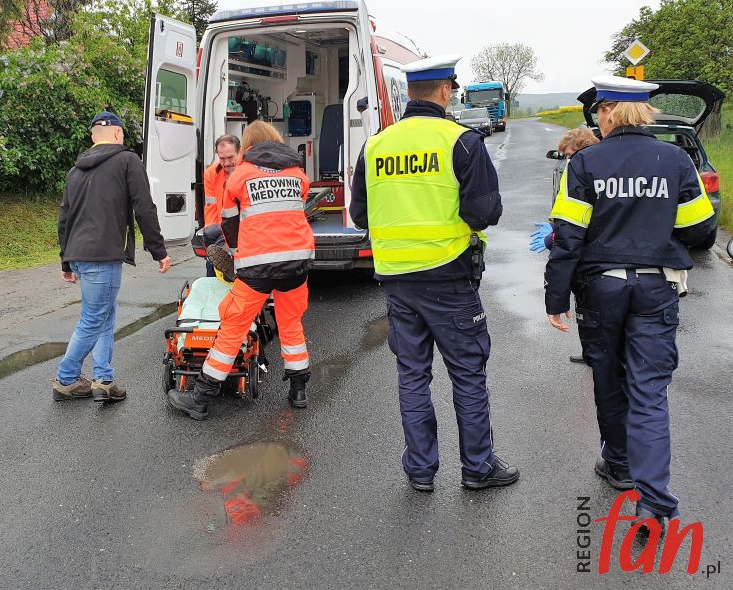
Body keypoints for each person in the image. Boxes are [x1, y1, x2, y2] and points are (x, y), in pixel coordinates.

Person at [544, 76, 715, 534]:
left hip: (601, 289)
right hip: (656, 287)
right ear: (644, 113)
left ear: (606, 113)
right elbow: (701, 230)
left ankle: (618, 464)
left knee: (607, 375)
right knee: (649, 391)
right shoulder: (676, 160)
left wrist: (555, 297)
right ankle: (655, 505)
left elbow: (567, 239)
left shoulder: (585, 163)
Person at [349, 55, 518, 492]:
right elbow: (484, 213)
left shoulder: (376, 145)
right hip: (449, 280)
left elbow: (359, 213)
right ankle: (478, 468)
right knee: (467, 374)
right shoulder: (461, 142)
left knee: (412, 376)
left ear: (409, 93)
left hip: (397, 283)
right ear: (446, 91)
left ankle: (421, 470)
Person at [168, 121, 314, 420]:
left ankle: (200, 395)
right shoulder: (298, 175)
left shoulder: (240, 176)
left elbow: (230, 224)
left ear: (247, 146)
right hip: (298, 262)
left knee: (233, 327)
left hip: (258, 264)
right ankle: (298, 390)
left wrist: (235, 255)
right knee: (291, 324)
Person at [53, 111, 173, 403]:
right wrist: (158, 249)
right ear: (119, 134)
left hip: (81, 253)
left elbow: (64, 220)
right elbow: (144, 207)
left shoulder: (75, 171)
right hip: (102, 255)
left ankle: (104, 379)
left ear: (93, 137)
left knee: (105, 315)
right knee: (94, 318)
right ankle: (66, 379)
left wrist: (66, 261)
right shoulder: (128, 161)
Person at [529, 127, 600, 364]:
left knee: (592, 310)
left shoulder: (585, 173)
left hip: (590, 259)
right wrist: (554, 227)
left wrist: (553, 238)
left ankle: (595, 355)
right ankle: (592, 352)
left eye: (570, 155)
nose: (568, 161)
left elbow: (571, 238)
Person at [203, 135, 241, 276]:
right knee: (211, 259)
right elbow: (211, 208)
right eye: (222, 158)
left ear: (239, 153)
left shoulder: (247, 172)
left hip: (246, 227)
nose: (226, 163)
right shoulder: (211, 173)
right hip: (223, 227)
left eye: (230, 157)